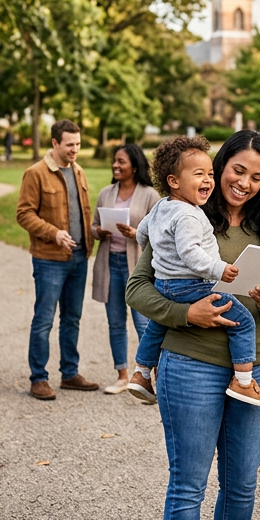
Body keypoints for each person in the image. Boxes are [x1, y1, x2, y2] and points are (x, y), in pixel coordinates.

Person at [127, 129, 260, 520]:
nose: (245, 183)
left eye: (257, 177)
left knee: (241, 488)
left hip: (252, 370)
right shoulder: (183, 215)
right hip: (190, 367)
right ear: (218, 169)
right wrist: (186, 313)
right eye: (238, 171)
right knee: (188, 487)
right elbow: (138, 287)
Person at [127, 135, 260, 407]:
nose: (207, 180)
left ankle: (141, 373)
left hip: (165, 284)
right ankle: (244, 381)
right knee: (242, 322)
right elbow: (191, 254)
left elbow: (143, 233)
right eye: (199, 174)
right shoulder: (190, 215)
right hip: (193, 285)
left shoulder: (161, 207)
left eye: (210, 174)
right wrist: (219, 269)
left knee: (157, 325)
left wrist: (160, 251)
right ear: (174, 181)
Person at [15, 119, 100, 399]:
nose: (75, 149)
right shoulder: (36, 173)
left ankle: (70, 373)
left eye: (78, 144)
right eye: (70, 144)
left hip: (79, 257)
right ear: (55, 143)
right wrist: (54, 233)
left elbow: (81, 213)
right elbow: (24, 214)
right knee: (44, 319)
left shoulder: (78, 171)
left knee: (72, 318)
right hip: (49, 259)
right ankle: (38, 378)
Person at [90, 143, 159, 394]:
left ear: (134, 166)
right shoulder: (106, 193)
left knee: (143, 324)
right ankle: (122, 375)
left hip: (138, 268)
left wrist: (136, 233)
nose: (115, 165)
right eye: (115, 161)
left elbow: (162, 234)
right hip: (111, 264)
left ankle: (150, 376)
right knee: (115, 323)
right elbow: (93, 226)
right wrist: (99, 231)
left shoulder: (150, 195)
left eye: (121, 162)